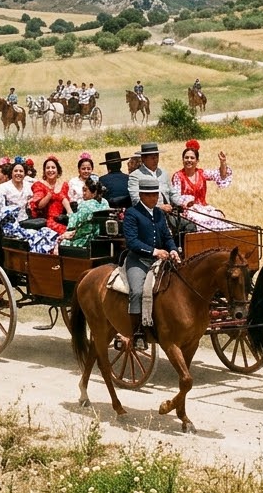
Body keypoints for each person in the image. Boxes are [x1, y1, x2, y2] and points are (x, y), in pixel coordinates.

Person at [121, 176, 179, 351]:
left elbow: (167, 237)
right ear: (142, 195)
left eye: (156, 194)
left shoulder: (159, 213)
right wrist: (155, 251)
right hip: (138, 260)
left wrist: (173, 249)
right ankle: (137, 331)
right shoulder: (132, 213)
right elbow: (132, 242)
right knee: (137, 291)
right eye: (150, 195)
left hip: (159, 260)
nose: (154, 198)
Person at [171, 139, 233, 231]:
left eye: (192, 158)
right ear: (182, 160)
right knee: (198, 219)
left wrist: (223, 162)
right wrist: (187, 201)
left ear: (197, 160)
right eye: (186, 157)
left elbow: (221, 176)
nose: (189, 160)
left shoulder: (202, 173)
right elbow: (175, 196)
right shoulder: (178, 176)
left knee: (218, 216)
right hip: (187, 211)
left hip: (204, 209)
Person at [59, 177, 109, 251]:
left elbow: (75, 223)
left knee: (60, 242)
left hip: (85, 239)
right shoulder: (104, 202)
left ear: (94, 193)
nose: (83, 193)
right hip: (100, 237)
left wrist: (67, 234)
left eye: (85, 190)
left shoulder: (85, 204)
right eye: (83, 190)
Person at [127, 142, 175, 215]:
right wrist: (159, 207)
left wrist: (184, 203)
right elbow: (136, 199)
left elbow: (173, 193)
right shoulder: (135, 176)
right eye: (152, 158)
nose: (155, 160)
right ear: (143, 159)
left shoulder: (164, 173)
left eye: (157, 157)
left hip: (168, 214)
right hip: (147, 215)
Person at [28, 155, 67, 235]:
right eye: (48, 168)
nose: (50, 170)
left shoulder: (64, 185)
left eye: (53, 167)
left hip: (61, 218)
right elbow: (39, 205)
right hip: (45, 220)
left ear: (58, 170)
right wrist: (50, 194)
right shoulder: (39, 185)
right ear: (44, 170)